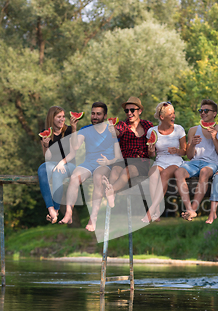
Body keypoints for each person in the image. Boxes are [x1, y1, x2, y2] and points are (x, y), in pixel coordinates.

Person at [59, 102, 121, 231]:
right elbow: (75, 147)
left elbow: (119, 156)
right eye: (93, 113)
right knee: (75, 177)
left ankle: (93, 219)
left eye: (98, 114)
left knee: (98, 177)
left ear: (105, 116)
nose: (95, 116)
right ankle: (69, 213)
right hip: (88, 163)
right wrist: (74, 128)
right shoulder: (85, 129)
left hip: (104, 163)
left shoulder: (112, 130)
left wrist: (108, 162)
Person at [174, 99, 218, 221]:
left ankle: (194, 208)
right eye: (201, 111)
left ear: (215, 113)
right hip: (194, 163)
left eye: (206, 110)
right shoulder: (193, 130)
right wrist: (192, 145)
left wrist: (214, 138)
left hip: (212, 163)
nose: (203, 113)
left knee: (204, 172)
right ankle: (189, 209)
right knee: (178, 172)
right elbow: (190, 156)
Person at [102, 97, 153, 203]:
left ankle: (110, 191)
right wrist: (113, 131)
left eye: (132, 110)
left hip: (141, 162)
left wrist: (152, 149)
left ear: (140, 111)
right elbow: (118, 132)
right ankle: (111, 196)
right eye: (126, 110)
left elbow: (152, 152)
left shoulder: (148, 125)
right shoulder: (122, 125)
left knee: (127, 171)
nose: (129, 113)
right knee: (115, 170)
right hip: (124, 160)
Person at [142, 101, 186, 222]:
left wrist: (177, 150)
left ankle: (151, 211)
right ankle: (156, 211)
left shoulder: (179, 129)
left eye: (174, 113)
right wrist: (151, 151)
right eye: (170, 114)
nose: (174, 116)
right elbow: (152, 155)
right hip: (160, 160)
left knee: (165, 174)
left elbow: (185, 151)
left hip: (175, 161)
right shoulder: (152, 131)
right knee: (153, 173)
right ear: (162, 117)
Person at [38, 106, 77, 224]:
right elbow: (47, 158)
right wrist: (45, 145)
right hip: (53, 163)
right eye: (59, 117)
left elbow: (73, 152)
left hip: (69, 164)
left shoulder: (69, 130)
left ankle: (55, 209)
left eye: (63, 116)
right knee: (41, 170)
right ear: (52, 118)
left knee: (57, 172)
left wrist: (62, 162)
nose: (62, 119)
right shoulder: (45, 134)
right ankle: (50, 209)